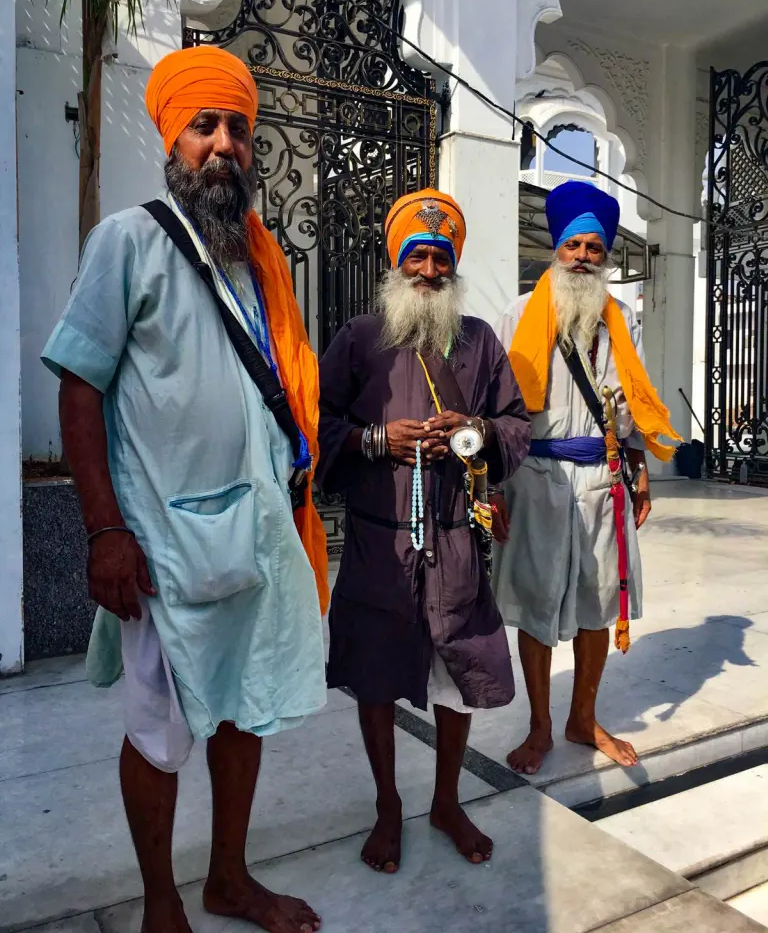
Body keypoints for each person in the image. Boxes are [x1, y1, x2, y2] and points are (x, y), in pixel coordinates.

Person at [41, 46, 328, 933]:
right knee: (160, 732)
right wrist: (104, 532)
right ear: (174, 138)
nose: (224, 144)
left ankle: (229, 878)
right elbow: (80, 386)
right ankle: (162, 900)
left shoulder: (257, 260)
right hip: (165, 545)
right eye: (205, 125)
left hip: (258, 533)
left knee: (246, 711)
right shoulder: (129, 240)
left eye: (239, 128)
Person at [317, 189, 531, 874]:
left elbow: (515, 424)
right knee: (376, 676)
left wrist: (474, 431)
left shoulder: (480, 340)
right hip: (381, 544)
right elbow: (316, 428)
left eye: (442, 258)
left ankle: (445, 802)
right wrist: (377, 438)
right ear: (397, 264)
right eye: (418, 257)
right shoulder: (358, 338)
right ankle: (387, 806)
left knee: (457, 672)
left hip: (456, 538)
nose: (430, 270)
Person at [492, 180, 679, 777]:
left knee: (598, 602)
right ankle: (539, 725)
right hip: (536, 478)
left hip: (604, 477)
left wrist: (640, 470)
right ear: (557, 248)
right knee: (539, 601)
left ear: (605, 256)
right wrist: (491, 486)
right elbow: (498, 408)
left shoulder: (621, 318)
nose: (581, 256)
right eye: (572, 245)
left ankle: (583, 717)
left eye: (593, 248)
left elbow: (635, 400)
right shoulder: (518, 314)